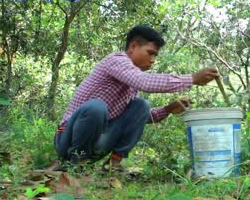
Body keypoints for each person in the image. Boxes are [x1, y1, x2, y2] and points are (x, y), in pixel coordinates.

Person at [54, 25, 219, 171]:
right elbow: (145, 82)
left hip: (96, 144)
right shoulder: (116, 60)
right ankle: (77, 162)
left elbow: (140, 118)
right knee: (96, 107)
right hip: (66, 138)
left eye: (155, 56)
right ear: (133, 46)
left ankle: (113, 165)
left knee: (141, 105)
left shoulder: (131, 83)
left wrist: (168, 109)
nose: (153, 60)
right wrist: (191, 79)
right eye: (150, 53)